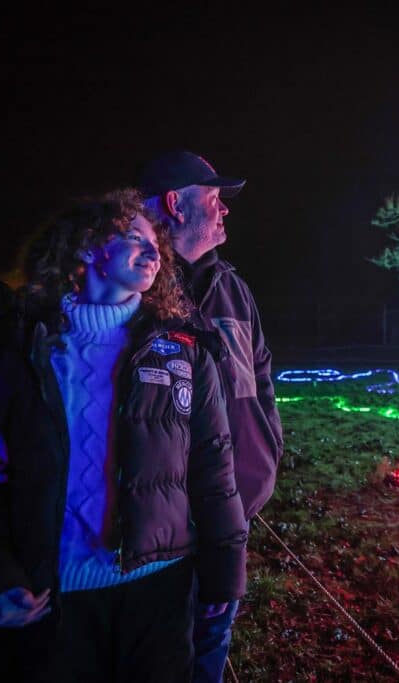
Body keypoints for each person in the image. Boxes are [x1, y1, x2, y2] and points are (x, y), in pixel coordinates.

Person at [0, 189, 248, 681]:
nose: (155, 250)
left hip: (158, 594)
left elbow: (213, 465)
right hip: (53, 600)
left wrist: (225, 575)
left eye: (156, 241)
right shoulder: (21, 343)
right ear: (89, 246)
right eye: (135, 237)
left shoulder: (182, 347)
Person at [139, 151, 283, 683]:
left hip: (229, 515)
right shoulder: (129, 284)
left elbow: (260, 380)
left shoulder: (233, 291)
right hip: (155, 532)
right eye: (214, 199)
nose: (225, 212)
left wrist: (261, 460)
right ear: (176, 204)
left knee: (209, 650)